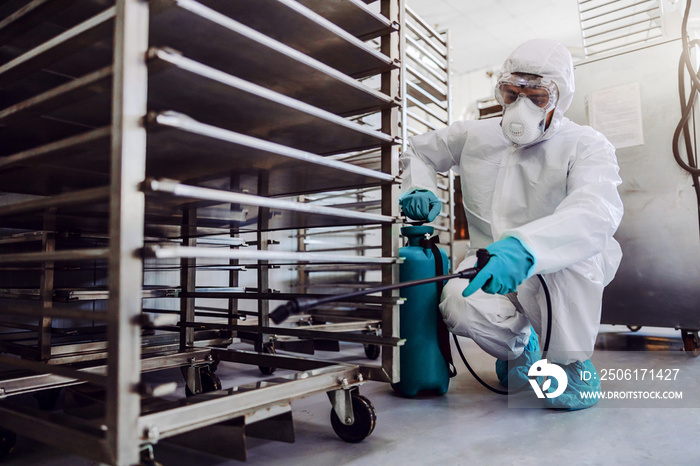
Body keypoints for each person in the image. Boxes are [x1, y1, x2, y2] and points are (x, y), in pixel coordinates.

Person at [398, 39, 623, 410]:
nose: (520, 107)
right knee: (457, 302)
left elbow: (595, 210)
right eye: (511, 93)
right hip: (488, 259)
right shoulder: (475, 135)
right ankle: (519, 348)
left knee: (564, 277)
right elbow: (420, 150)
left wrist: (528, 248)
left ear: (559, 97)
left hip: (556, 261)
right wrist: (419, 186)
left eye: (536, 96)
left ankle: (570, 363)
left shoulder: (585, 144)